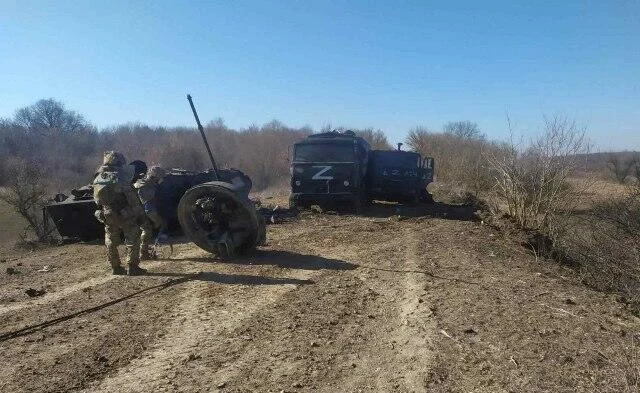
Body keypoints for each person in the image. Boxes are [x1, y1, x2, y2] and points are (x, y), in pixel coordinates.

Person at [92, 151, 147, 275]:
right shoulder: (121, 175)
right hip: (125, 212)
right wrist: (140, 215)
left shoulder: (99, 176)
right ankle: (133, 267)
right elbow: (132, 198)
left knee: (110, 240)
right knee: (133, 238)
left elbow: (96, 198)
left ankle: (115, 267)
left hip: (107, 212)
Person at [134, 165, 167, 260]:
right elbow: (149, 209)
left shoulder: (145, 183)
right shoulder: (146, 187)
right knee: (147, 230)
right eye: (160, 178)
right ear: (155, 177)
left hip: (140, 210)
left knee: (146, 230)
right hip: (141, 212)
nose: (161, 181)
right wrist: (158, 222)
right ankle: (143, 253)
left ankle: (143, 250)